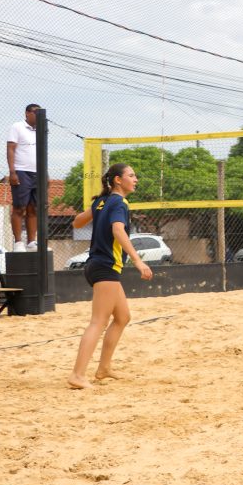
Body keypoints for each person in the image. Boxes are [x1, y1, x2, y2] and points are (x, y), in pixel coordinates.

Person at [67, 163, 153, 389]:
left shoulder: (101, 201)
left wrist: (96, 211)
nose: (136, 179)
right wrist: (137, 260)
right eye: (131, 175)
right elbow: (118, 230)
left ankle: (104, 368)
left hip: (98, 265)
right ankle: (77, 375)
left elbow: (76, 222)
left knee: (123, 317)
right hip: (105, 267)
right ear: (117, 180)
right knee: (98, 322)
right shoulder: (120, 203)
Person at [7, 104, 41, 252]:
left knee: (33, 208)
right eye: (35, 112)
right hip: (21, 172)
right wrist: (12, 172)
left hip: (37, 173)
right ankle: (18, 242)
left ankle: (31, 241)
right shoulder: (17, 127)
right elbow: (10, 149)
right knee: (19, 207)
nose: (38, 115)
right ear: (27, 113)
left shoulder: (40, 130)